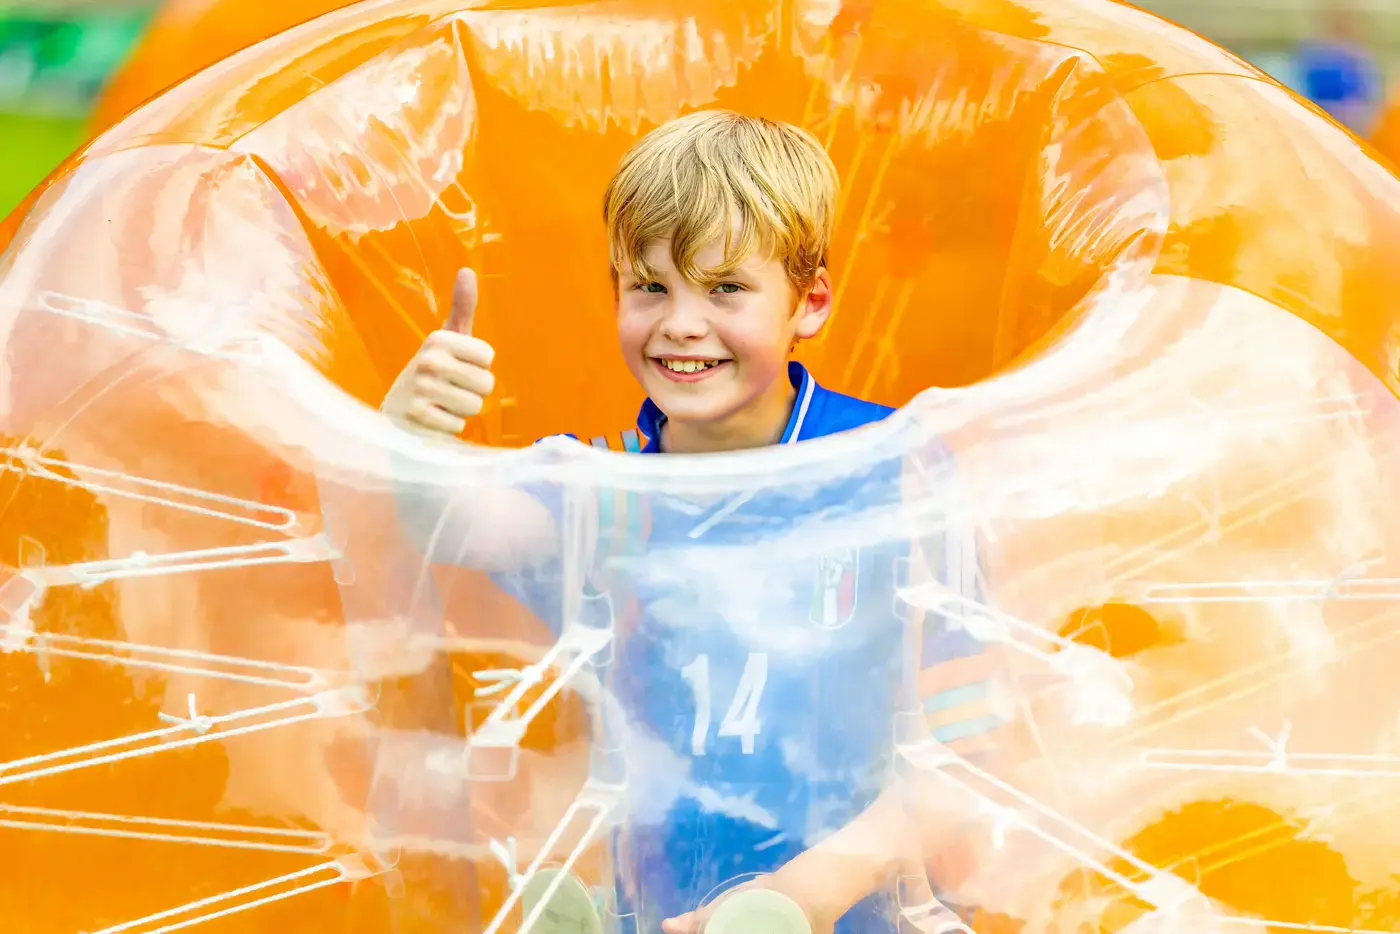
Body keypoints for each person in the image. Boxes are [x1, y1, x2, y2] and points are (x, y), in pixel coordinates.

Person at [381, 110, 992, 933]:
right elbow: (461, 525)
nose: (681, 324)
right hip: (660, 909)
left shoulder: (887, 471)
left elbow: (964, 752)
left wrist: (800, 900)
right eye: (651, 287)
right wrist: (408, 441)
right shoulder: (616, 485)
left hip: (852, 913)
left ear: (809, 302)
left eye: (726, 288)